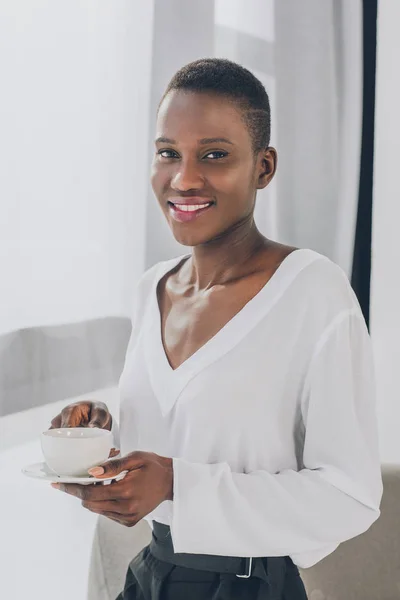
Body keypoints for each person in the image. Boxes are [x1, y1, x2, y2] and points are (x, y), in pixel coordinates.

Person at [50, 58, 383, 599]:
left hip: (251, 587)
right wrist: (102, 436)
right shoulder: (151, 289)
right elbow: (181, 438)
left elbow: (351, 497)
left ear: (264, 167)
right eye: (167, 154)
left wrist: (179, 482)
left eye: (214, 155)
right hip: (151, 578)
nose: (183, 178)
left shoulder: (313, 292)